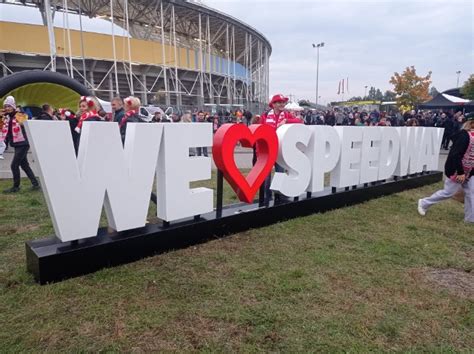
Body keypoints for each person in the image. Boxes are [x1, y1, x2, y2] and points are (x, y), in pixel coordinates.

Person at [418, 116, 474, 223]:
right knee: (448, 192)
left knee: (471, 192)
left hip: (470, 171)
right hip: (457, 170)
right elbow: (455, 155)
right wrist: (461, 172)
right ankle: (424, 203)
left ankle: (470, 219)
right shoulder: (464, 136)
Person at [259, 94, 302, 203]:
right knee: (266, 175)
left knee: (280, 173)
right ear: (273, 104)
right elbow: (260, 133)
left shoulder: (287, 115)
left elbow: (300, 121)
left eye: (283, 102)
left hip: (281, 150)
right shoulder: (264, 116)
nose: (282, 104)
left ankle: (280, 196)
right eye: (279, 102)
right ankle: (267, 198)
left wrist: (287, 121)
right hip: (268, 150)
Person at [0, 96, 40, 193]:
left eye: (9, 106)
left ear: (13, 106)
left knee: (14, 165)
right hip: (17, 144)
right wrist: (1, 116)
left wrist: (20, 110)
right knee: (24, 165)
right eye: (5, 106)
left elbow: (25, 120)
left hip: (23, 143)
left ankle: (16, 187)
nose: (7, 108)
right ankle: (35, 184)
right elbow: (1, 126)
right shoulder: (7, 117)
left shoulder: (18, 114)